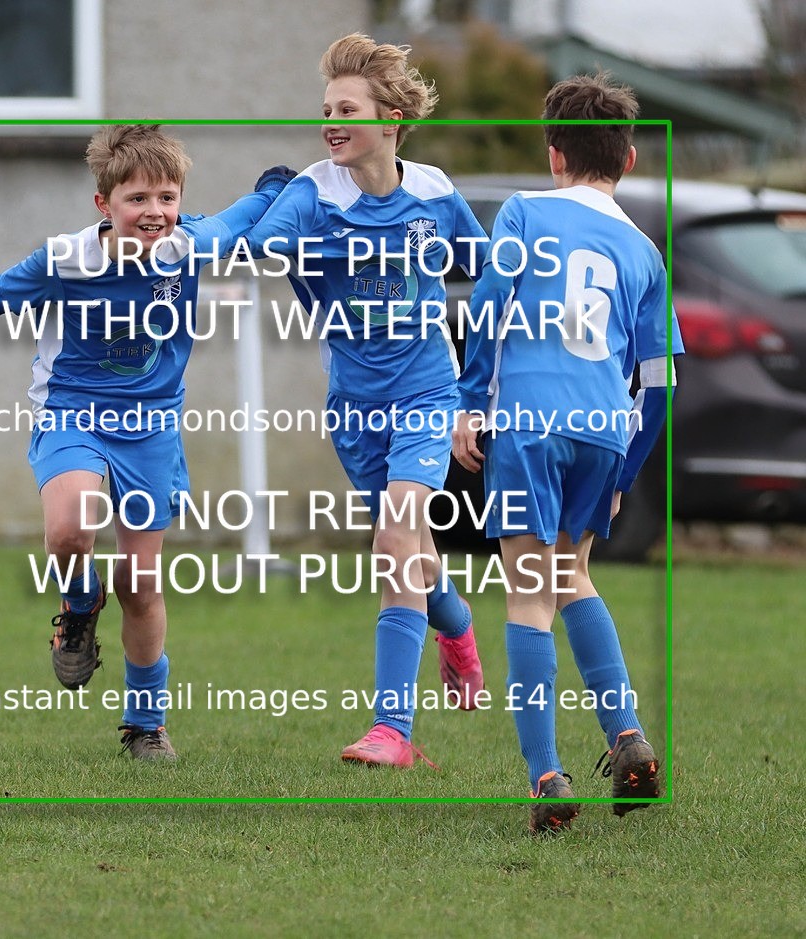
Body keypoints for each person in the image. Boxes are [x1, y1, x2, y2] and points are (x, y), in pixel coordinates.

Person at [0, 124, 294, 761]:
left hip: (152, 430)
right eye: (138, 199)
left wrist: (273, 188)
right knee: (68, 531)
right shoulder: (64, 259)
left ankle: (146, 723)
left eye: (167, 198)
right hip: (72, 417)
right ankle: (80, 600)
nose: (155, 213)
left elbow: (238, 218)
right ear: (104, 205)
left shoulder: (189, 246)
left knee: (141, 582)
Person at [246, 33, 487, 768]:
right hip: (353, 408)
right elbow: (261, 243)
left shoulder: (437, 195)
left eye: (345, 109)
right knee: (413, 552)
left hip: (426, 393)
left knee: (393, 543)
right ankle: (458, 623)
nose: (331, 122)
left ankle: (393, 731)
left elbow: (491, 279)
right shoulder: (314, 192)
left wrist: (477, 395)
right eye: (325, 110)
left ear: (390, 120)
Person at [451, 72, 682, 833]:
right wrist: (624, 468)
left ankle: (547, 775)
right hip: (601, 429)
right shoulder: (645, 252)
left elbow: (487, 309)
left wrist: (466, 407)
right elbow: (660, 382)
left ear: (553, 155)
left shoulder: (523, 211)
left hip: (529, 417)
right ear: (631, 159)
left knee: (527, 596)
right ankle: (625, 734)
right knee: (571, 575)